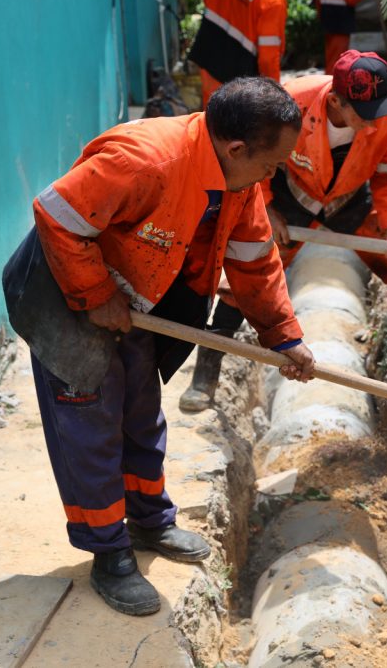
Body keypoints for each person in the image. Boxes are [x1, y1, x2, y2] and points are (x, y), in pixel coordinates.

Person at [28, 77, 314, 616]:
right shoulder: (148, 160)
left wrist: (285, 337)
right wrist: (93, 293)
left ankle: (149, 520)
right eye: (271, 164)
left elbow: (254, 264)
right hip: (64, 291)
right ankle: (109, 552)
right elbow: (56, 214)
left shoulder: (239, 182)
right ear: (236, 149)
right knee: (91, 426)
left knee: (140, 410)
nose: (273, 176)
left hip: (136, 295)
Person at [180, 50, 387, 413]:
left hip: (350, 199)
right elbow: (255, 162)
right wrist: (266, 209)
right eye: (364, 115)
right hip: (291, 197)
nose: (373, 123)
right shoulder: (292, 104)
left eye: (378, 110)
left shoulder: (386, 115)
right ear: (336, 100)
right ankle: (206, 377)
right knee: (245, 275)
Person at [187, 0, 287, 107]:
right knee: (231, 120)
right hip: (239, 71)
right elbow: (267, 59)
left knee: (209, 113)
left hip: (210, 48)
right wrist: (275, 97)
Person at [317, 0, 369, 70]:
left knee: (331, 56)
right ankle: (333, 81)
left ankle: (330, 79)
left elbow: (318, 1)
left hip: (327, 16)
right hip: (340, 19)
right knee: (338, 58)